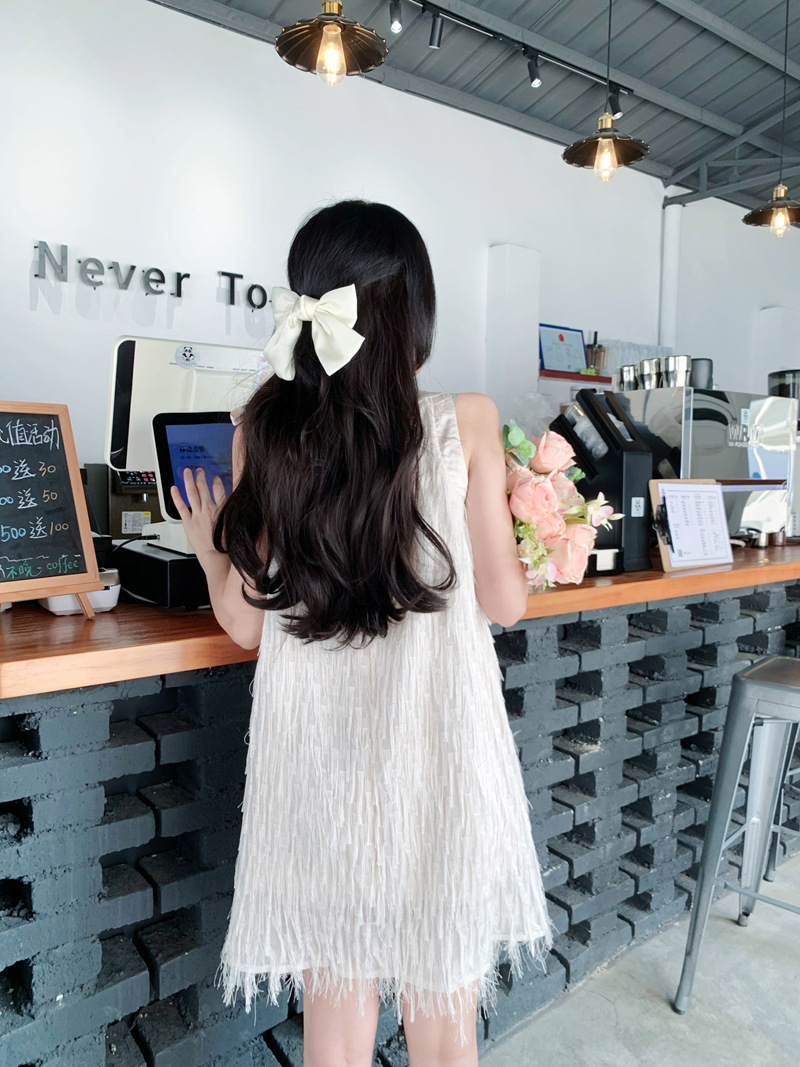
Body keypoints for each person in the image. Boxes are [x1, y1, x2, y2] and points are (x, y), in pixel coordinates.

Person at [172, 200, 554, 1067]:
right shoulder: (467, 419)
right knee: (445, 1030)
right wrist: (536, 528)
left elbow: (242, 626)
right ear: (411, 312)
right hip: (437, 760)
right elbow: (504, 602)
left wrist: (206, 551)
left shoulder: (263, 429)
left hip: (317, 773)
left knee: (334, 1036)